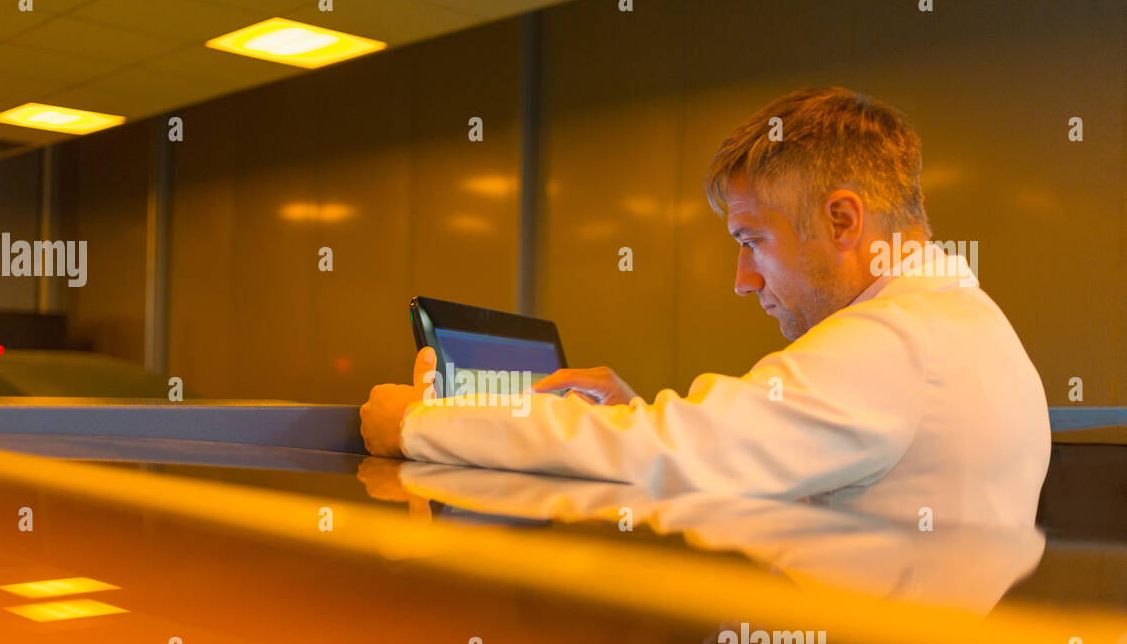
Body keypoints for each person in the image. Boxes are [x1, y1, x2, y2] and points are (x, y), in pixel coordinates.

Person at [358, 88, 1051, 528]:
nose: (743, 280)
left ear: (843, 221)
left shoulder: (898, 341)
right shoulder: (963, 322)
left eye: (753, 241)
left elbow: (666, 455)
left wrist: (420, 423)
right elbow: (752, 460)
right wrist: (639, 419)